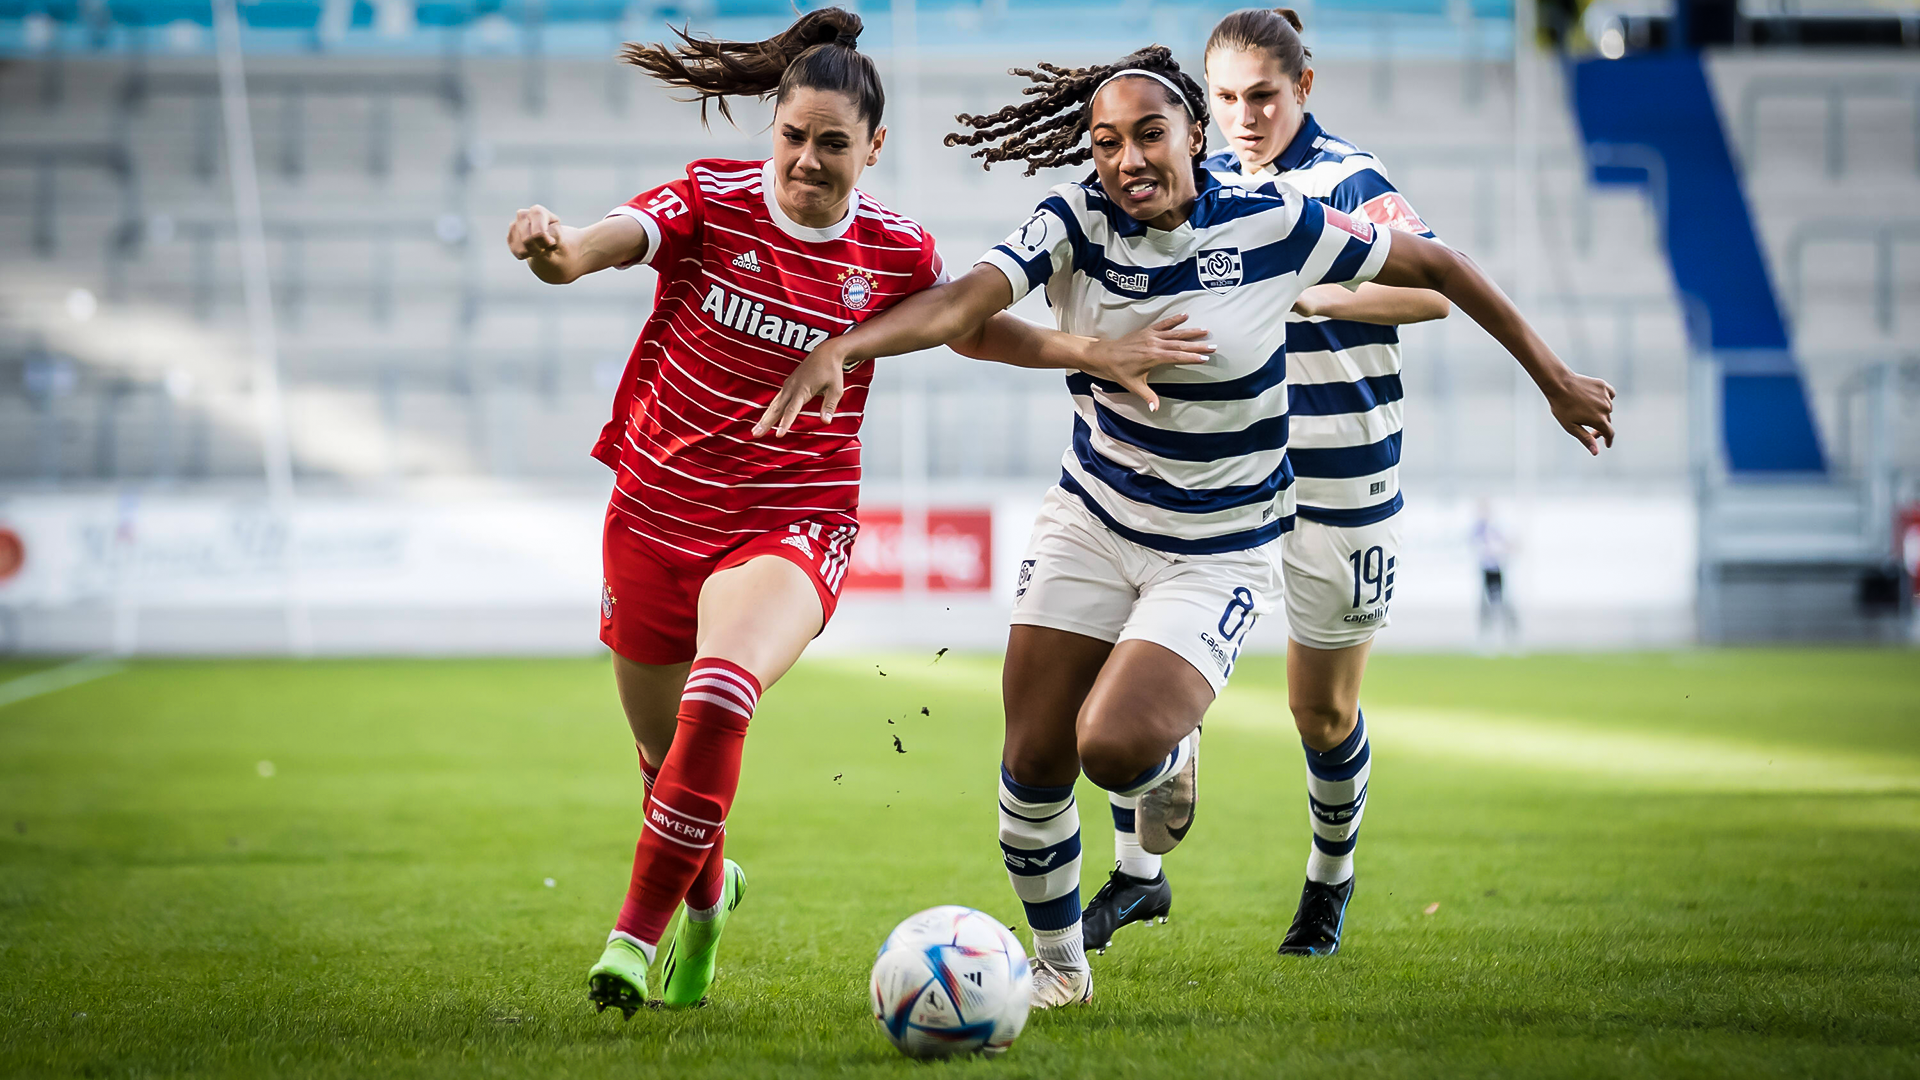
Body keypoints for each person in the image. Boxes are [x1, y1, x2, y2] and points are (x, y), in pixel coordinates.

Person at [757, 44, 1615, 1006]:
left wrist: (1555, 380)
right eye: (1106, 141)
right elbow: (964, 305)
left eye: (1150, 135)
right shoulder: (1072, 221)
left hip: (1220, 546)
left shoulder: (1279, 222)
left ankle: (1166, 757)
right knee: (1032, 758)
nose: (1126, 159)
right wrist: (848, 344)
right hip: (1093, 516)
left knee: (1113, 747)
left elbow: (1440, 269)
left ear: (1195, 138)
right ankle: (1057, 973)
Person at [505, 8, 1203, 1018]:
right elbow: (595, 249)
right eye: (794, 137)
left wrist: (1085, 349)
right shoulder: (708, 201)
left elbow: (973, 328)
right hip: (655, 513)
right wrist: (553, 244)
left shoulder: (892, 249)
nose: (807, 161)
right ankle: (709, 900)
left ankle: (630, 939)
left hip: (791, 522)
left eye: (834, 144)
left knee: (722, 694)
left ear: (873, 148)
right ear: (772, 132)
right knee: (666, 769)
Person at [1087, 7, 1462, 960]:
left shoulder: (1347, 178)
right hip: (1233, 477)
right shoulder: (1194, 183)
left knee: (1320, 710)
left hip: (1345, 478)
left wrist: (1307, 287)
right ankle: (1140, 873)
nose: (1247, 114)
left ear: (1305, 89)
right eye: (1226, 97)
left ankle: (1328, 882)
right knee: (1138, 659)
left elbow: (1432, 287)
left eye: (1265, 95)